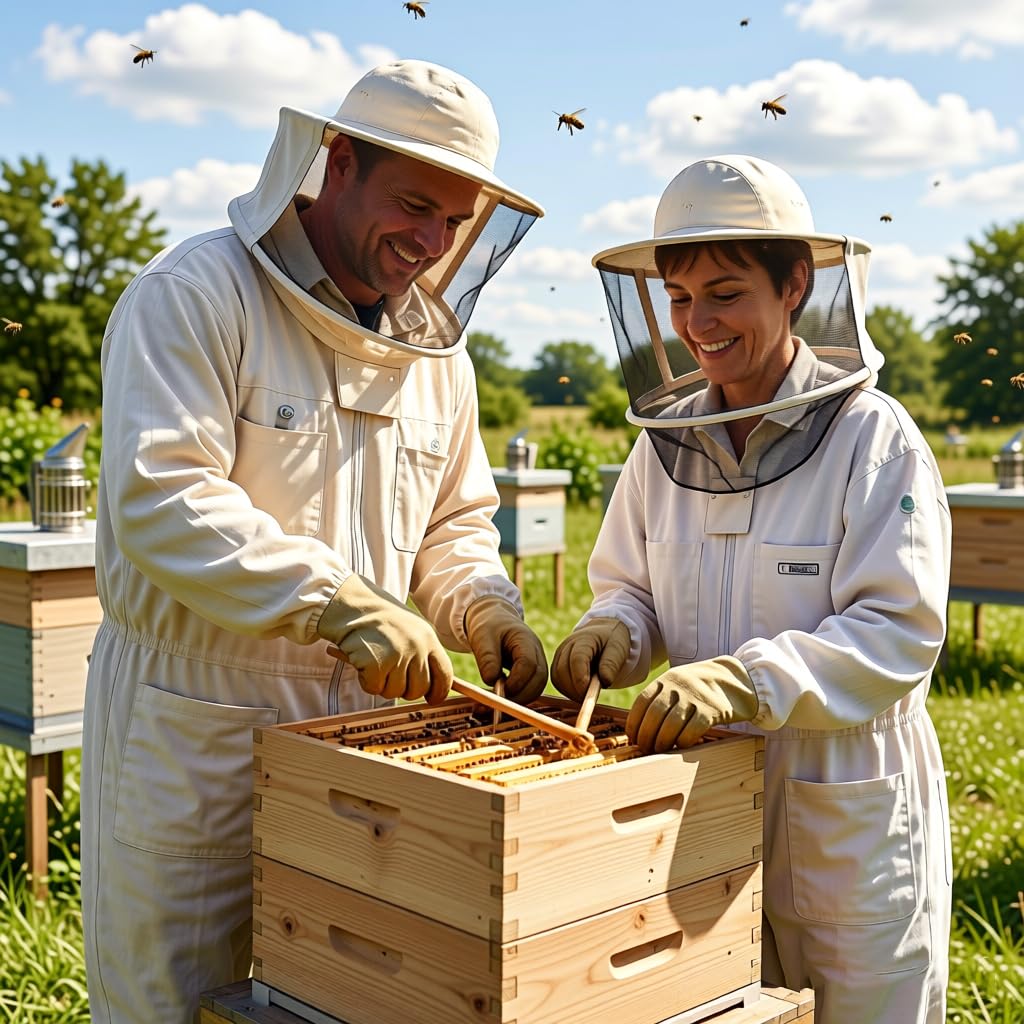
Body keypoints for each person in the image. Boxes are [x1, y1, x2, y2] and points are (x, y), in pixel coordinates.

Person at [81, 59, 549, 1023]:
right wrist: (336, 602)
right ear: (335, 163)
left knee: (334, 1000)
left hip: (360, 745)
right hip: (199, 721)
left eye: (452, 224)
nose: (428, 241)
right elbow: (164, 496)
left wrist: (484, 607)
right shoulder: (197, 294)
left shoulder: (439, 356)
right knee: (172, 1001)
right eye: (413, 204)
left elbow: (454, 521)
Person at [552, 155, 952, 1023]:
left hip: (844, 810)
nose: (699, 323)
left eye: (726, 293)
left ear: (795, 285)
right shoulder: (663, 446)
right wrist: (612, 630)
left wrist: (745, 679)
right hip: (700, 813)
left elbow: (899, 632)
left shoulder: (871, 440)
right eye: (681, 298)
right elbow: (631, 586)